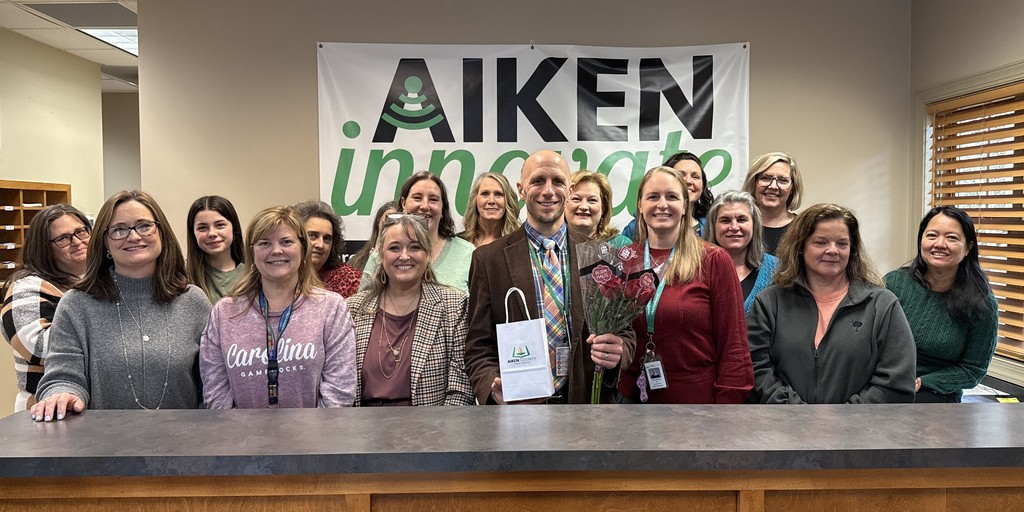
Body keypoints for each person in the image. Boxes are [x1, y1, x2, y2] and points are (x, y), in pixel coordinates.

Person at [464, 150, 636, 404]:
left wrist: (619, 351)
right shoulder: (489, 260)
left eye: (557, 181)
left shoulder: (601, 257)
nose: (548, 190)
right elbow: (478, 346)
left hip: (586, 406)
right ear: (521, 189)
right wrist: (492, 388)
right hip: (520, 408)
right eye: (537, 181)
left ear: (569, 188)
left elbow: (625, 333)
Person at [31, 191, 211, 422]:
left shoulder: (193, 301)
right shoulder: (76, 305)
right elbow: (62, 377)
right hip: (106, 449)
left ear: (162, 233)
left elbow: (212, 382)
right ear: (105, 243)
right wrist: (61, 395)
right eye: (119, 230)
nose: (134, 236)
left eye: (144, 226)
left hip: (186, 446)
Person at [747, 203, 916, 404]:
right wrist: (797, 415)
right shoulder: (769, 302)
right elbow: (756, 368)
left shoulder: (882, 305)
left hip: (863, 430)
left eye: (842, 243)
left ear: (852, 250)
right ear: (800, 247)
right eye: (821, 242)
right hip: (783, 428)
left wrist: (843, 420)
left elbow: (896, 381)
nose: (833, 250)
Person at [616, 167, 752, 404]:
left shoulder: (713, 260)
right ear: (639, 205)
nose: (662, 204)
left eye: (671, 196)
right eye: (653, 196)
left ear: (686, 205)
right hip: (633, 399)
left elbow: (734, 344)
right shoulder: (625, 259)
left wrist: (729, 407)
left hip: (696, 404)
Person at [200, 206, 356, 409]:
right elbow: (215, 392)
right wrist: (240, 438)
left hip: (314, 439)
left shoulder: (332, 308)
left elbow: (339, 393)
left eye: (286, 242)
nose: (276, 251)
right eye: (264, 243)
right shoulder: (224, 313)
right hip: (241, 438)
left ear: (303, 249)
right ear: (252, 251)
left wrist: (311, 438)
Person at [347, 214, 474, 406]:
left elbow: (461, 391)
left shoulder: (455, 307)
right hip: (360, 430)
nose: (404, 256)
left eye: (415, 247)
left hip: (430, 430)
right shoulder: (353, 309)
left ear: (428, 254)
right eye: (394, 248)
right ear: (381, 254)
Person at [885, 206, 998, 403]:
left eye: (952, 238)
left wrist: (922, 382)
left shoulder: (982, 303)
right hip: (885, 381)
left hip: (936, 394)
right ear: (921, 240)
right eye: (932, 235)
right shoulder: (894, 283)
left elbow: (973, 369)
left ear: (968, 247)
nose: (939, 244)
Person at [1, 205, 90, 411]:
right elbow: (38, 346)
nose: (77, 242)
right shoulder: (27, 287)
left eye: (81, 232)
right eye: (63, 239)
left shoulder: (101, 280)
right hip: (44, 405)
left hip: (89, 402)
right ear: (44, 247)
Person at [361, 172, 474, 293]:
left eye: (433, 199)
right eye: (417, 198)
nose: (425, 206)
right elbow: (365, 301)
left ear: (443, 208)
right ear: (404, 204)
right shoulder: (383, 251)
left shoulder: (467, 253)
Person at [705, 191, 779, 314]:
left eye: (741, 220)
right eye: (725, 220)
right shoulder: (695, 269)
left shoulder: (776, 269)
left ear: (754, 225)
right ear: (713, 226)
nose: (734, 227)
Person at [621, 152, 712, 240]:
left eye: (695, 177)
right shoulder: (634, 229)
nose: (688, 181)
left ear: (703, 185)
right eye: (681, 175)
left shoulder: (713, 225)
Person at [295, 200, 361, 298]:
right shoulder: (282, 274)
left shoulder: (351, 279)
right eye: (313, 235)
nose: (320, 245)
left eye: (327, 238)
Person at [185, 196, 245, 303]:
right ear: (193, 234)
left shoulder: (254, 275)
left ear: (234, 228)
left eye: (220, 225)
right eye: (202, 228)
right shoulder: (182, 278)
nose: (212, 233)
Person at [742, 152, 803, 255]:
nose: (773, 186)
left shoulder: (803, 228)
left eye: (783, 180)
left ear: (793, 188)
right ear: (754, 182)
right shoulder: (738, 226)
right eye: (766, 178)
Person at [565, 170, 630, 247]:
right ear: (564, 203)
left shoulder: (621, 245)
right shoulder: (551, 243)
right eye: (576, 199)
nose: (584, 206)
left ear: (603, 207)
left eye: (592, 200)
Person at [459, 172, 521, 248]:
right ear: (475, 200)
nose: (491, 201)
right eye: (485, 194)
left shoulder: (519, 244)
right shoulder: (458, 243)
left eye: (498, 194)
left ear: (508, 201)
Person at [348, 200, 398, 272]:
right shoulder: (356, 263)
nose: (393, 227)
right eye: (388, 221)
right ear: (378, 222)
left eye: (398, 220)